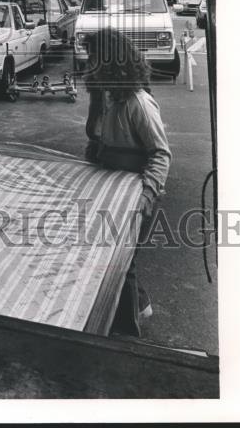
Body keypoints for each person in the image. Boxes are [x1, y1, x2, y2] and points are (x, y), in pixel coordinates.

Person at [83, 27, 172, 337]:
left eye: (93, 59)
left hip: (136, 194)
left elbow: (160, 154)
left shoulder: (138, 103)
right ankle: (140, 306)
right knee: (110, 256)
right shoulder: (106, 96)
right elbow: (102, 135)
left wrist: (147, 197)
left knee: (122, 264)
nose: (88, 65)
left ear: (111, 61)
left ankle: (127, 337)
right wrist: (98, 148)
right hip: (113, 190)